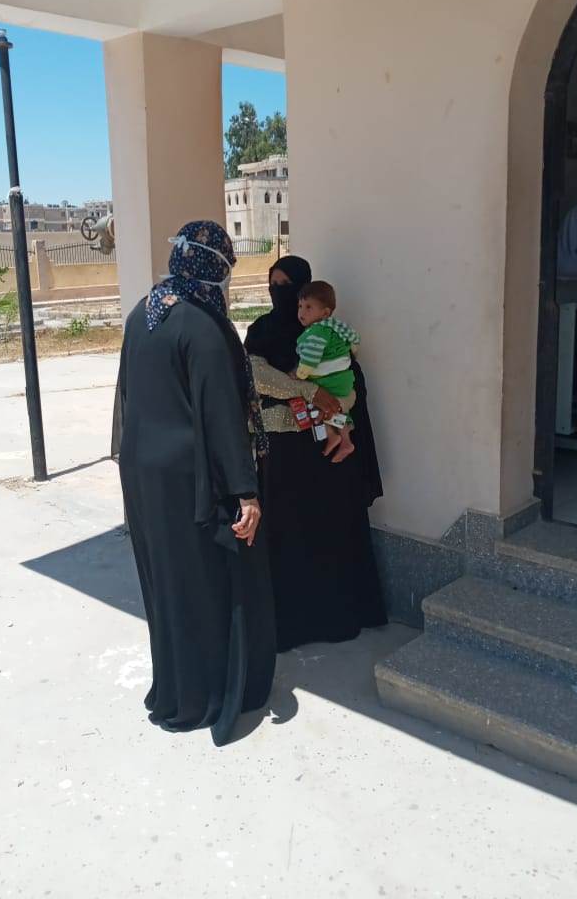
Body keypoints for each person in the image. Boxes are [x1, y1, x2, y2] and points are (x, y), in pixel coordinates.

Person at [113, 220, 275, 745]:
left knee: (169, 583)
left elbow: (127, 398)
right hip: (191, 482)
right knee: (205, 585)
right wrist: (246, 492)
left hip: (145, 476)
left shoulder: (145, 312)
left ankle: (177, 688)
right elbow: (222, 417)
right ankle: (206, 694)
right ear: (215, 268)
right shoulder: (203, 326)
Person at [245, 256, 387, 653]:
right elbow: (255, 376)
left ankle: (340, 617)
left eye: (287, 285)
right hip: (283, 451)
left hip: (325, 449)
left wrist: (338, 410)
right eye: (273, 284)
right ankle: (291, 626)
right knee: (287, 533)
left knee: (331, 529)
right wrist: (308, 391)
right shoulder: (262, 330)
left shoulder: (323, 330)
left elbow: (350, 376)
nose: (279, 292)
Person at [295, 279, 360, 460]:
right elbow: (353, 346)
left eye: (309, 307)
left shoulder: (317, 332)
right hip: (343, 378)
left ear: (325, 313)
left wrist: (300, 375)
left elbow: (310, 358)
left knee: (319, 406)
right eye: (300, 306)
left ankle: (334, 436)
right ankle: (343, 439)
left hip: (329, 380)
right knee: (338, 410)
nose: (301, 312)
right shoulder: (336, 328)